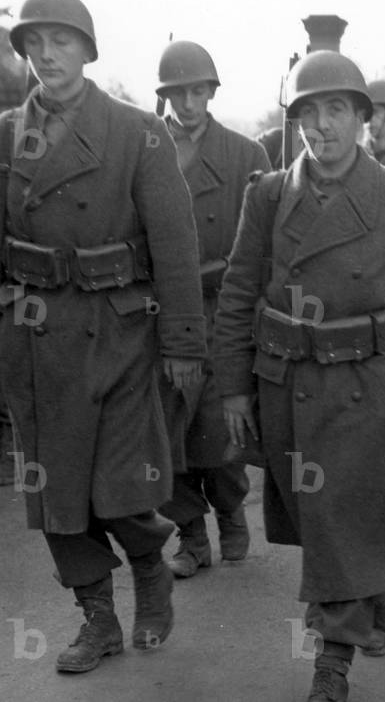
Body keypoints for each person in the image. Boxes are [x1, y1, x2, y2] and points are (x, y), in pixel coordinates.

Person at [214, 50, 385, 702]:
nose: (320, 125)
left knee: (346, 514)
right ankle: (373, 600)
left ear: (363, 118)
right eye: (306, 112)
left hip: (371, 384)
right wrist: (235, 385)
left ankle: (332, 659)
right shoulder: (268, 196)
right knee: (324, 516)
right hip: (289, 383)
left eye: (335, 110)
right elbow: (240, 292)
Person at [0, 0, 206, 673]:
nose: (46, 54)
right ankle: (97, 617)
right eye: (34, 43)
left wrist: (182, 342)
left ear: (88, 50)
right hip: (33, 334)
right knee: (55, 491)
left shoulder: (133, 131)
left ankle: (148, 562)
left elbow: (175, 244)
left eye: (61, 40)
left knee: (118, 483)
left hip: (117, 331)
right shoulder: (5, 133)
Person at [153, 40, 270, 578]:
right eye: (178, 93)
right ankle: (192, 535)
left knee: (221, 432)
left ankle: (230, 516)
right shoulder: (145, 147)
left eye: (198, 91)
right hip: (163, 311)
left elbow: (267, 245)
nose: (188, 103)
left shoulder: (247, 155)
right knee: (162, 434)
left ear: (212, 92)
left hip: (225, 310)